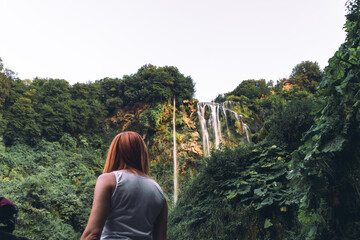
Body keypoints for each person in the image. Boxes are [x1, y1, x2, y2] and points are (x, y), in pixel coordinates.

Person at [81, 132, 168, 240]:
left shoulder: (109, 180)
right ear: (142, 154)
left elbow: (92, 235)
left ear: (114, 153)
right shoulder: (158, 191)